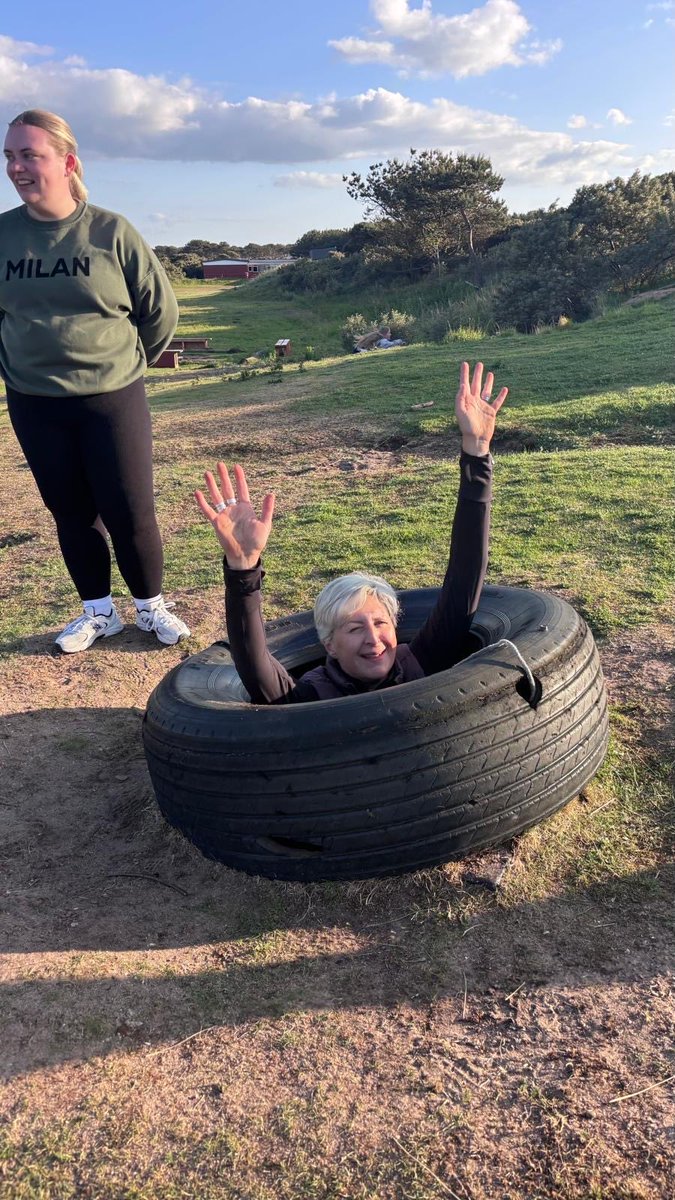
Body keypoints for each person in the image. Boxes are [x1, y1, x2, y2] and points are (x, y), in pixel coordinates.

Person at [194, 361, 507, 703]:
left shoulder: (420, 662)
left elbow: (464, 579)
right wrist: (242, 568)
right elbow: (253, 662)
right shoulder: (308, 697)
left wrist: (476, 454)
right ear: (329, 643)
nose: (373, 640)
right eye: (355, 629)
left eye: (381, 623)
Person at [0, 109, 190, 652]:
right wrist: (19, 366)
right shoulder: (3, 236)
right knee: (71, 511)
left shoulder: (111, 231)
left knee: (129, 509)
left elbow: (160, 312)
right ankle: (98, 613)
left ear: (67, 162)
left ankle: (151, 609)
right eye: (10, 156)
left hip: (112, 398)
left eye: (28, 154)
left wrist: (125, 366)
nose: (16, 167)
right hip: (35, 402)